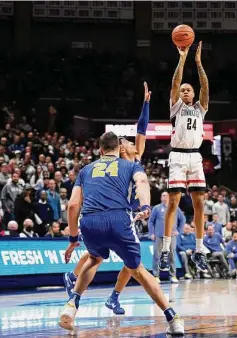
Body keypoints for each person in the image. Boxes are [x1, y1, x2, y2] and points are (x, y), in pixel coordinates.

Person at [58, 131, 184, 335]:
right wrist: (145, 206)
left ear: (100, 150)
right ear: (118, 149)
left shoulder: (85, 170)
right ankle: (173, 318)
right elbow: (142, 183)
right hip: (118, 219)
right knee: (138, 270)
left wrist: (73, 239)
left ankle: (71, 305)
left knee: (93, 258)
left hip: (89, 221)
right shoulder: (131, 165)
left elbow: (72, 205)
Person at [63, 83, 154, 316]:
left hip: (131, 212)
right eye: (127, 141)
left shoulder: (136, 158)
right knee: (109, 257)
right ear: (121, 149)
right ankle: (82, 281)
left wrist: (146, 103)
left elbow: (142, 127)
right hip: (118, 211)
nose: (133, 142)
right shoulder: (124, 164)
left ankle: (102, 291)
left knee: (114, 258)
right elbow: (139, 131)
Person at [160, 41, 210, 273]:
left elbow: (205, 88)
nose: (186, 91)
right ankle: (165, 251)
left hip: (195, 157)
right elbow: (175, 82)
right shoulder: (176, 107)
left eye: (188, 89)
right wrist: (182, 58)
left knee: (200, 203)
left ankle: (199, 250)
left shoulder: (200, 108)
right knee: (173, 203)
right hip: (178, 157)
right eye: (183, 90)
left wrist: (199, 64)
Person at [149, 191, 185, 284]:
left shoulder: (175, 208)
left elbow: (183, 219)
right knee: (157, 255)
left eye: (166, 196)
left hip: (171, 236)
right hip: (159, 236)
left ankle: (173, 275)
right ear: (161, 198)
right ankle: (156, 275)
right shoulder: (156, 208)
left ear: (169, 197)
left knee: (172, 255)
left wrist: (178, 230)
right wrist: (152, 233)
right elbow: (151, 221)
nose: (165, 197)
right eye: (163, 196)